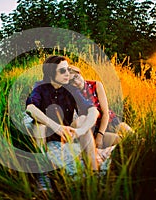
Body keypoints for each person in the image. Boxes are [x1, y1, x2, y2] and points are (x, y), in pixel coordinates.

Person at [25, 55, 99, 192]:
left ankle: (93, 173)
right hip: (45, 133)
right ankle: (43, 175)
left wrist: (80, 131)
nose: (68, 74)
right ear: (51, 73)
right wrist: (56, 127)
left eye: (68, 69)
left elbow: (94, 111)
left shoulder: (71, 89)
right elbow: (30, 108)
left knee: (82, 120)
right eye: (62, 71)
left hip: (66, 133)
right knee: (39, 126)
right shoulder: (40, 87)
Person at [68, 65, 133, 149]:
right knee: (121, 140)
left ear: (79, 73)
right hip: (95, 129)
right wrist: (99, 136)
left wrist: (100, 135)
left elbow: (106, 113)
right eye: (71, 81)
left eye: (76, 77)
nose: (76, 82)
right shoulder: (74, 95)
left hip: (110, 121)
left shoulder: (96, 85)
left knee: (131, 135)